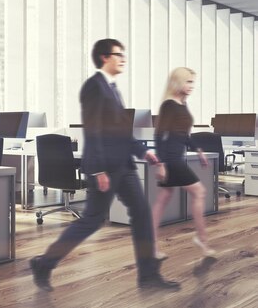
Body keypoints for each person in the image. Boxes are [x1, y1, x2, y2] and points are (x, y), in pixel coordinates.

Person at [30, 39, 180, 291]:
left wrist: (146, 153)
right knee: (92, 220)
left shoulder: (112, 89)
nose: (122, 58)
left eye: (123, 54)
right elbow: (94, 130)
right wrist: (98, 169)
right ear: (103, 58)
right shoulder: (94, 87)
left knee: (142, 214)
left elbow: (121, 133)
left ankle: (148, 277)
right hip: (106, 168)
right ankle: (45, 263)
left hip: (124, 165)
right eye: (117, 54)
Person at [151, 67, 215, 259]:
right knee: (199, 192)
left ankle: (150, 245)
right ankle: (201, 240)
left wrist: (198, 151)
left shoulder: (182, 103)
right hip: (170, 159)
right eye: (188, 82)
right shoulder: (169, 105)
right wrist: (161, 163)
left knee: (163, 199)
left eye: (192, 82)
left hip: (176, 157)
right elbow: (159, 135)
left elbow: (184, 134)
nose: (191, 86)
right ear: (178, 82)